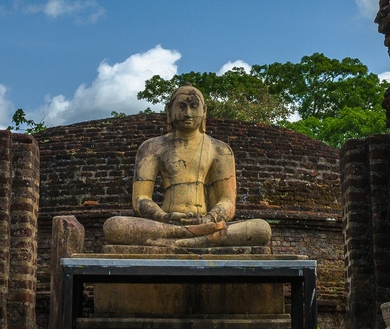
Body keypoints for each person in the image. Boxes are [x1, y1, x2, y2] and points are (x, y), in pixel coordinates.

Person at [103, 85, 272, 248]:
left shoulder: (220, 150)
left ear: (204, 111)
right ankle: (198, 240)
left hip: (206, 223)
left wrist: (209, 219)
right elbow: (140, 199)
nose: (188, 113)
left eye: (194, 106)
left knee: (261, 229)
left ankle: (184, 242)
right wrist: (163, 216)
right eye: (182, 107)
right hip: (166, 224)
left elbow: (227, 201)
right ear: (169, 111)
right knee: (114, 226)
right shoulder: (151, 148)